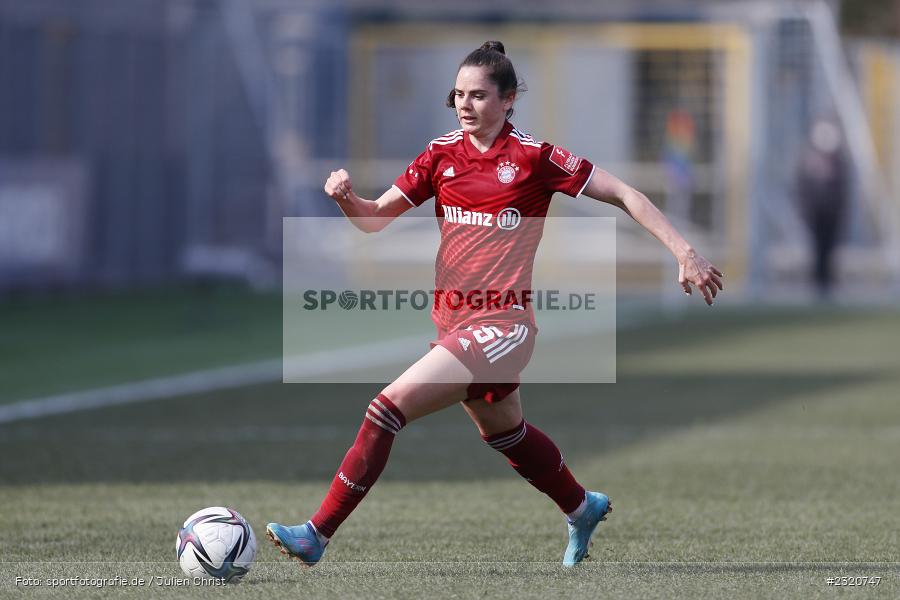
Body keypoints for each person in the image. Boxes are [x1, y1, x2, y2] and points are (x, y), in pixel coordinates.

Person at [267, 41, 724, 567]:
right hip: (453, 324)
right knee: (506, 433)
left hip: (503, 325)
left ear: (508, 101)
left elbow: (626, 193)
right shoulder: (441, 154)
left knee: (385, 409)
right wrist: (347, 197)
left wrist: (685, 252)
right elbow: (374, 219)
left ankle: (316, 535)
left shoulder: (534, 159)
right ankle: (581, 506)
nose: (465, 105)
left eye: (479, 95)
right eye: (458, 95)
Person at [796, 115, 847, 297]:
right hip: (816, 211)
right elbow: (803, 189)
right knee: (818, 247)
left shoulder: (838, 163)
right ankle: (818, 281)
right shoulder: (810, 161)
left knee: (829, 247)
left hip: (832, 211)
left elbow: (842, 190)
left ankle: (827, 281)